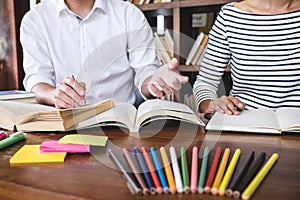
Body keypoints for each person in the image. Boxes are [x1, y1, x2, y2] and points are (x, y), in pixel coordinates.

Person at [20, 0, 188, 108]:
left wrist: (154, 82)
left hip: (120, 126)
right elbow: (37, 81)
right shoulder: (35, 20)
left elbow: (146, 71)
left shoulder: (128, 14)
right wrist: (55, 95)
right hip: (62, 125)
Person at [193, 0, 300, 117]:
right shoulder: (229, 16)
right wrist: (211, 105)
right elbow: (205, 81)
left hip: (295, 126)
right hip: (243, 123)